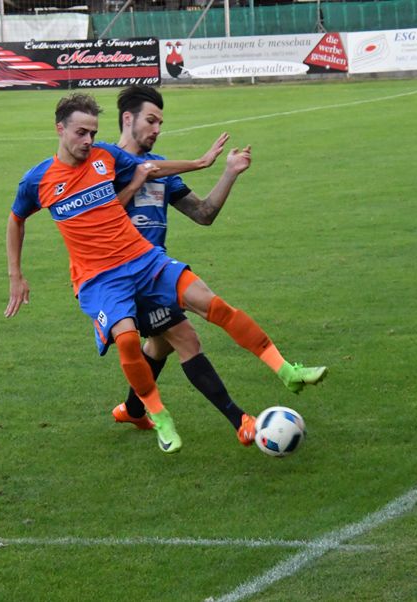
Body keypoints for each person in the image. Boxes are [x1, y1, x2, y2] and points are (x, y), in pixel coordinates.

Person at [5, 93, 326, 454]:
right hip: (102, 278)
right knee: (158, 340)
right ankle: (172, 417)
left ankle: (284, 371)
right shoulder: (38, 180)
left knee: (199, 315)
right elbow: (18, 218)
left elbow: (171, 187)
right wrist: (16, 275)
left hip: (146, 261)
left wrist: (205, 163)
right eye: (81, 132)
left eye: (93, 133)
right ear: (60, 129)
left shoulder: (107, 157)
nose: (89, 140)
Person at [109, 84, 261, 447]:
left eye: (160, 122)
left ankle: (133, 409)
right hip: (125, 279)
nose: (157, 128)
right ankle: (240, 420)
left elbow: (203, 213)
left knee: (160, 345)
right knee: (186, 338)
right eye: (151, 120)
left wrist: (229, 173)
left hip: (158, 273)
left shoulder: (161, 170)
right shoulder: (105, 167)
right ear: (128, 119)